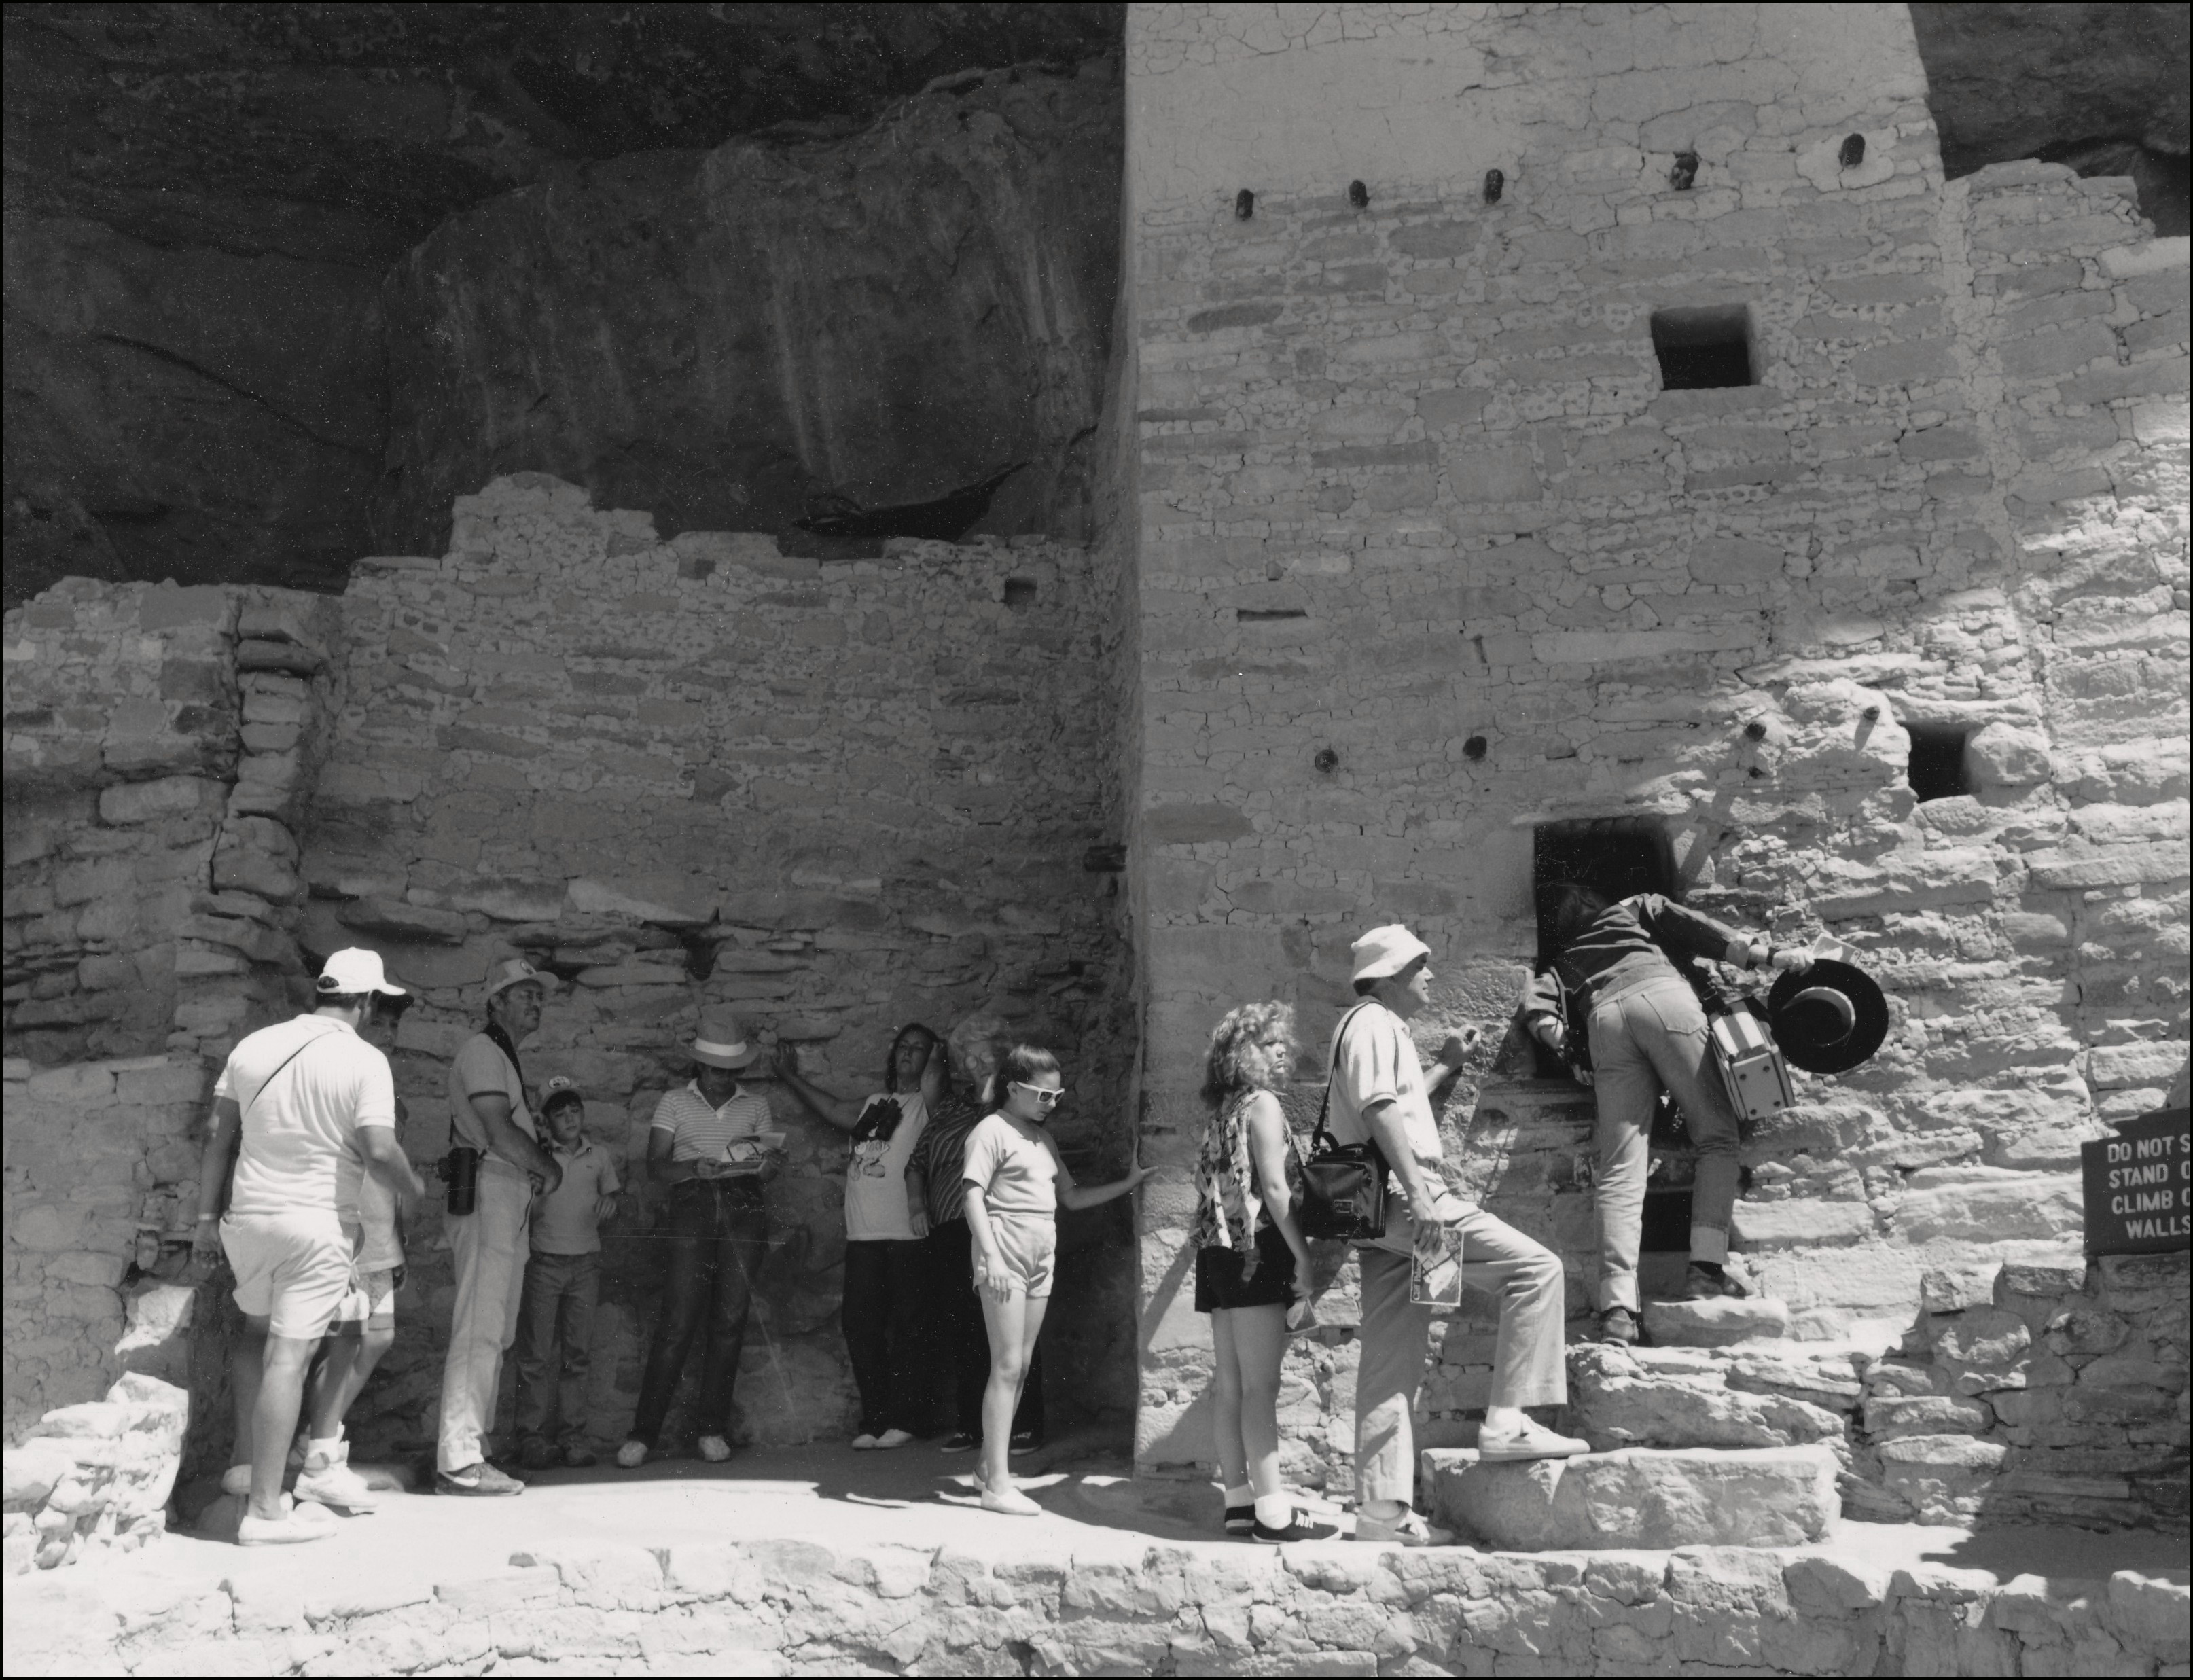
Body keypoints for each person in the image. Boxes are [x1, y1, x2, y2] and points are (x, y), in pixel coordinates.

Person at [1331, 924, 1586, 1548]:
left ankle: (1381, 1513)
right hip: (1410, 1200)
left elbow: (1399, 1099)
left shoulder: (1374, 1026)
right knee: (1536, 1269)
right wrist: (1421, 1196)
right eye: (1421, 967)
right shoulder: (1371, 1021)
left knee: (1396, 1350)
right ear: (1391, 973)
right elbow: (1378, 1107)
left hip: (1385, 1214)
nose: (1431, 977)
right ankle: (1510, 1420)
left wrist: (1444, 1065)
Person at [186, 948, 427, 1545]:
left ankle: (246, 1469)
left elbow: (218, 1134)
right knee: (290, 1359)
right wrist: (414, 1188)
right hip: (315, 1222)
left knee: (256, 1337)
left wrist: (204, 1217)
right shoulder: (365, 1059)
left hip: (248, 1219)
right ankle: (267, 1510)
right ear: (367, 1002)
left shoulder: (254, 1045)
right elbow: (377, 1148)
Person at [1520, 884, 1815, 1346]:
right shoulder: (1632, 905)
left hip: (1604, 1021)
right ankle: (1705, 1269)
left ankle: (1617, 1309)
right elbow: (1704, 932)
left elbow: (1542, 1020)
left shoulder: (1560, 963)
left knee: (1620, 1170)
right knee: (1717, 1138)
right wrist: (1774, 957)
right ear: (1596, 903)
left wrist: (1571, 1050)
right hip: (1664, 1000)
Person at [961, 1043, 1149, 1516]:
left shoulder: (1043, 1140)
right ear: (1014, 1088)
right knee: (1006, 1364)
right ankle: (997, 1486)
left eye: (1057, 1094)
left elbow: (1072, 1195)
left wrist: (1128, 1184)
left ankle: (989, 1465)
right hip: (1003, 1253)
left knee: (1022, 1364)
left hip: (1040, 1256)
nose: (1052, 1102)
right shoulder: (991, 1130)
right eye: (1043, 1094)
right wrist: (992, 1257)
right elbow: (972, 1196)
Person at [618, 1009, 783, 1469]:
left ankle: (711, 1427)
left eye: (729, 1071)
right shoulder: (674, 1101)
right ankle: (643, 1432)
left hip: (743, 1204)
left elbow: (766, 1165)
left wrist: (767, 1167)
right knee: (678, 1321)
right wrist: (693, 1168)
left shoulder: (755, 1105)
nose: (719, 1078)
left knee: (730, 1319)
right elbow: (656, 1166)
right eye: (713, 1069)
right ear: (699, 1067)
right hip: (692, 1203)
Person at [775, 1024, 946, 1449]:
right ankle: (876, 1419)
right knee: (861, 1325)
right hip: (864, 1234)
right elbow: (832, 1108)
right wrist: (788, 1076)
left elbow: (933, 1082)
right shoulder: (875, 1102)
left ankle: (910, 1419)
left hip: (908, 1234)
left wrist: (939, 1056)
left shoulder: (929, 1104)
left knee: (910, 1328)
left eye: (918, 1049)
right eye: (902, 1047)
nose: (908, 1054)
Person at [436, 958, 563, 1497]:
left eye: (539, 995)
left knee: (499, 1326)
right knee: (480, 1324)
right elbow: (497, 1129)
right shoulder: (483, 1051)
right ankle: (459, 1458)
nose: (535, 1002)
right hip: (490, 1186)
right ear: (496, 1002)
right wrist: (549, 1167)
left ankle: (474, 1448)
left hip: (508, 1194)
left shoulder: (503, 1056)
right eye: (523, 994)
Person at [1194, 1002, 1318, 1543]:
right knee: (1261, 1388)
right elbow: (1274, 1188)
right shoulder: (1262, 1104)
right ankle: (1274, 1513)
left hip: (1216, 1253)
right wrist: (1304, 1257)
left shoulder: (1223, 1110)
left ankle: (1239, 1503)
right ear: (1247, 1053)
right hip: (1255, 1249)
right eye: (1272, 1044)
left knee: (1232, 1387)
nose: (1283, 1052)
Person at [908, 1015, 1046, 1452]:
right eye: (967, 1057)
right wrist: (916, 1204)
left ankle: (1023, 1426)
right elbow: (918, 1160)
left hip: (1002, 1228)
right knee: (964, 1329)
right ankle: (972, 1425)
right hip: (951, 1228)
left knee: (1012, 1333)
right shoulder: (951, 1107)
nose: (975, 1064)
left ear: (1005, 1057)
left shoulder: (1015, 1104)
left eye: (985, 1055)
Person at [514, 1077, 621, 1469]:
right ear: (547, 1123)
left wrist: (610, 1202)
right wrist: (539, 1191)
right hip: (545, 1262)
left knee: (577, 1354)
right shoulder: (539, 1158)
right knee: (537, 1354)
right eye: (560, 1114)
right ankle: (532, 1437)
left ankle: (573, 1437)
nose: (570, 1119)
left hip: (585, 1264)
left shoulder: (599, 1156)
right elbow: (529, 1211)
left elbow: (611, 1197)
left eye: (575, 1111)